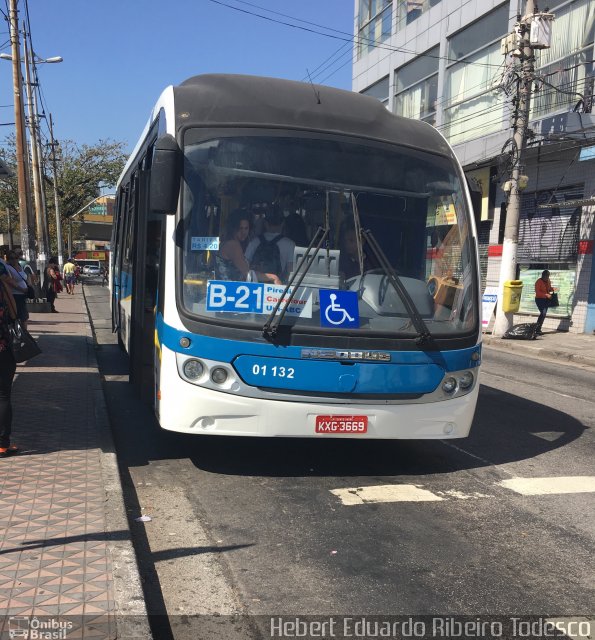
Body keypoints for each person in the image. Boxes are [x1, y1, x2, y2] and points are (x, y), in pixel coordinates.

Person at [215, 210, 281, 284]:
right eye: (240, 228)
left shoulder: (226, 242)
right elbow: (248, 274)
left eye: (246, 228)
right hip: (231, 290)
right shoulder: (233, 245)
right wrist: (273, 277)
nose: (243, 232)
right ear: (233, 228)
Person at [245, 204, 295, 282]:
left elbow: (245, 268)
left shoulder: (254, 242)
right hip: (276, 286)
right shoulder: (290, 244)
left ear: (265, 223)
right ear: (283, 223)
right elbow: (290, 272)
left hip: (255, 286)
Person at [0, 260, 18, 458]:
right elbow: (13, 313)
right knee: (3, 396)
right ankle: (2, 445)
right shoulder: (3, 286)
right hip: (2, 348)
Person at [3, 251, 29, 330]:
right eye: (11, 258)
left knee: (24, 316)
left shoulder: (19, 265)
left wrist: (28, 286)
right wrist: (22, 289)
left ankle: (24, 334)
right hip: (15, 295)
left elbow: (26, 276)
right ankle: (22, 334)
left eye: (16, 258)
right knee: (20, 316)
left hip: (23, 295)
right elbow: (9, 281)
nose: (14, 260)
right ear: (8, 259)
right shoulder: (7, 267)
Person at [534, 269, 555, 335]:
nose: (548, 277)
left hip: (546, 299)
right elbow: (538, 292)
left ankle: (538, 329)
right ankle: (537, 329)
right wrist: (546, 295)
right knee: (543, 313)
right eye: (547, 276)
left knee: (543, 314)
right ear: (543, 275)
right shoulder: (538, 282)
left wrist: (553, 289)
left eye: (548, 276)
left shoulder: (548, 281)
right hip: (539, 299)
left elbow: (549, 288)